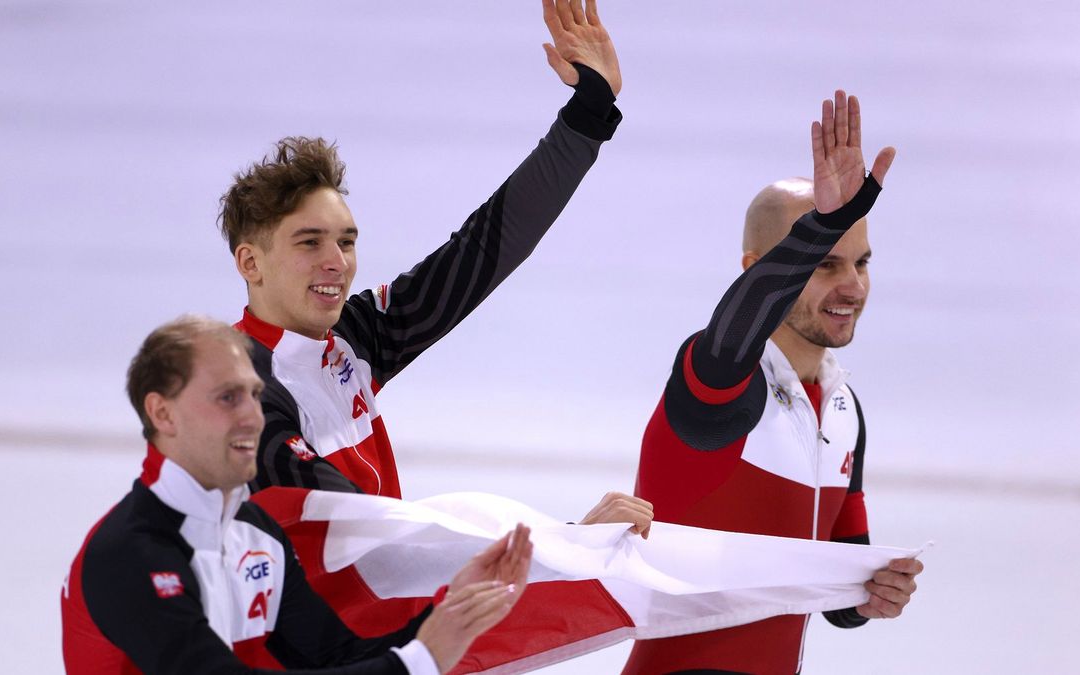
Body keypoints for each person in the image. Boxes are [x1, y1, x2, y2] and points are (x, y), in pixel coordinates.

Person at [215, 0, 651, 537]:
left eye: (347, 241)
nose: (338, 262)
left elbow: (483, 250)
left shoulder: (352, 334)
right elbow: (374, 540)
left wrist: (588, 114)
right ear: (250, 262)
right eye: (310, 242)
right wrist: (565, 545)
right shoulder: (239, 392)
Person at [622, 92, 924, 675]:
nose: (853, 288)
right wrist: (824, 222)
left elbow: (841, 590)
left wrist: (875, 593)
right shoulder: (721, 377)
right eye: (824, 263)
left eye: (860, 263)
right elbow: (736, 327)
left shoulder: (843, 408)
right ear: (755, 269)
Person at [61, 316, 534, 674]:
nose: (253, 416)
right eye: (228, 397)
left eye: (254, 394)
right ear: (162, 414)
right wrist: (418, 660)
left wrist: (450, 609)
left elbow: (335, 656)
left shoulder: (255, 531)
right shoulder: (127, 554)